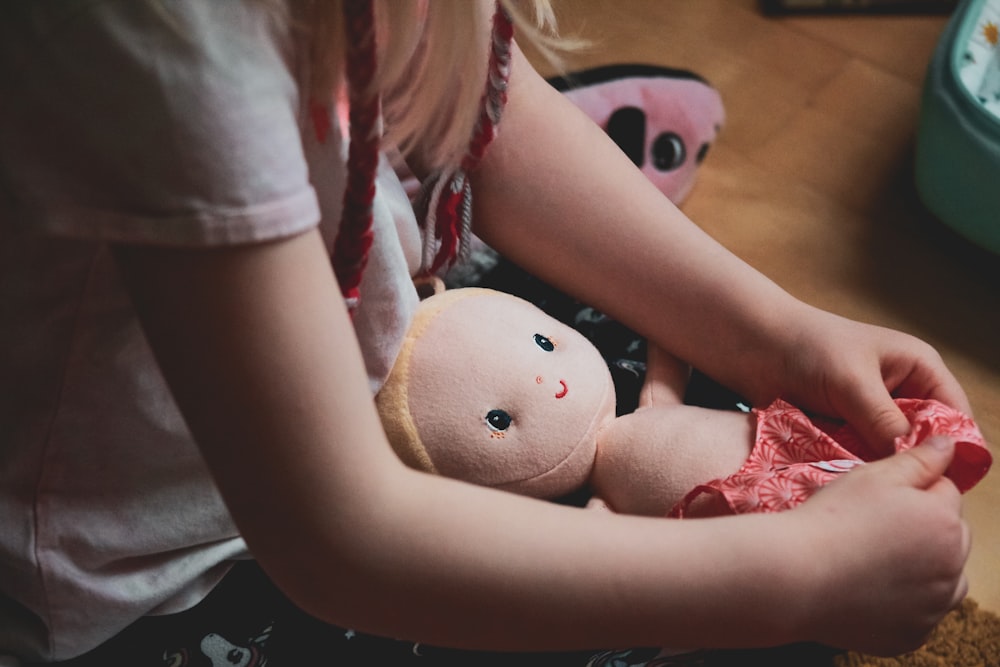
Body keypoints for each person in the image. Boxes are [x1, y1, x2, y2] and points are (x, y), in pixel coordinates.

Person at [0, 0, 975, 664]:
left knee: (732, 421)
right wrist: (797, 578)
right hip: (153, 588)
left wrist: (777, 336)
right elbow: (341, 542)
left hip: (359, 350)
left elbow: (484, 119)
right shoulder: (161, 42)